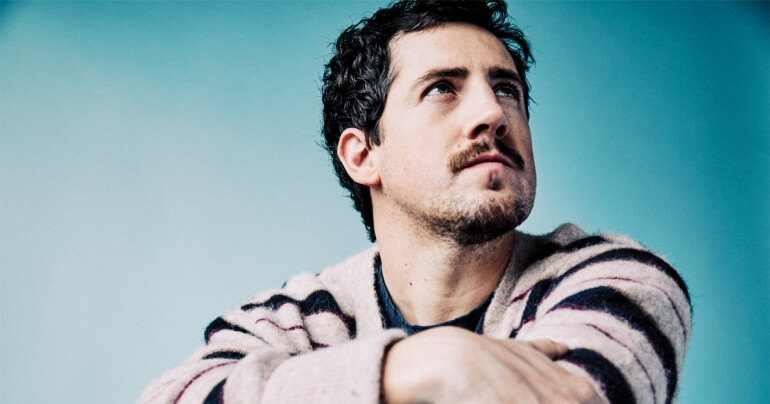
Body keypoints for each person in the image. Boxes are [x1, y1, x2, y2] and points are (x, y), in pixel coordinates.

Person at [140, 1, 691, 403]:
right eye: (442, 88)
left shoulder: (617, 282)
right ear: (363, 156)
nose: (493, 113)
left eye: (507, 90)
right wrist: (406, 368)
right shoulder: (295, 319)